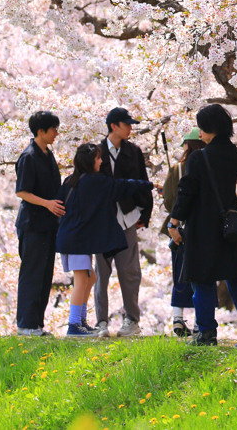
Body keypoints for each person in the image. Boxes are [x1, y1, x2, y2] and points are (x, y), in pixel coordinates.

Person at [169, 104, 237, 348]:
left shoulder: (199, 158)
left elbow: (186, 191)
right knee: (236, 279)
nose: (199, 132)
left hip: (202, 226)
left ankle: (207, 333)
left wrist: (174, 221)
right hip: (227, 226)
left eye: (201, 127)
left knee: (201, 280)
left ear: (211, 128)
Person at [57, 144, 155, 337]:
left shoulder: (70, 181)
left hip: (72, 237)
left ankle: (81, 322)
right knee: (81, 279)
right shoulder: (96, 181)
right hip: (77, 240)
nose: (101, 162)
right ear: (90, 161)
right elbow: (123, 186)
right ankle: (74, 325)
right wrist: (150, 185)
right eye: (98, 158)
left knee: (91, 277)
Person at [94, 107, 154, 337]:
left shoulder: (134, 151)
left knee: (130, 271)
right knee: (102, 272)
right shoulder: (96, 151)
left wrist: (144, 215)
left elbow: (143, 181)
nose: (130, 128)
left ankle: (132, 320)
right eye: (126, 124)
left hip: (128, 216)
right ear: (113, 126)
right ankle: (101, 323)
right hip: (102, 220)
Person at [14, 111, 65, 337]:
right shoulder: (29, 156)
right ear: (41, 131)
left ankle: (37, 325)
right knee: (32, 273)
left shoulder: (48, 154)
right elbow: (22, 192)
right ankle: (25, 325)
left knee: (45, 275)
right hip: (32, 224)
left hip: (49, 225)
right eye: (53, 129)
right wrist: (47, 204)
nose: (56, 133)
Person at [160, 127, 204, 337]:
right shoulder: (209, 168)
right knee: (204, 276)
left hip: (178, 229)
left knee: (180, 273)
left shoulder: (177, 169)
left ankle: (178, 318)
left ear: (188, 145)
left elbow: (169, 200)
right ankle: (199, 324)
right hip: (202, 227)